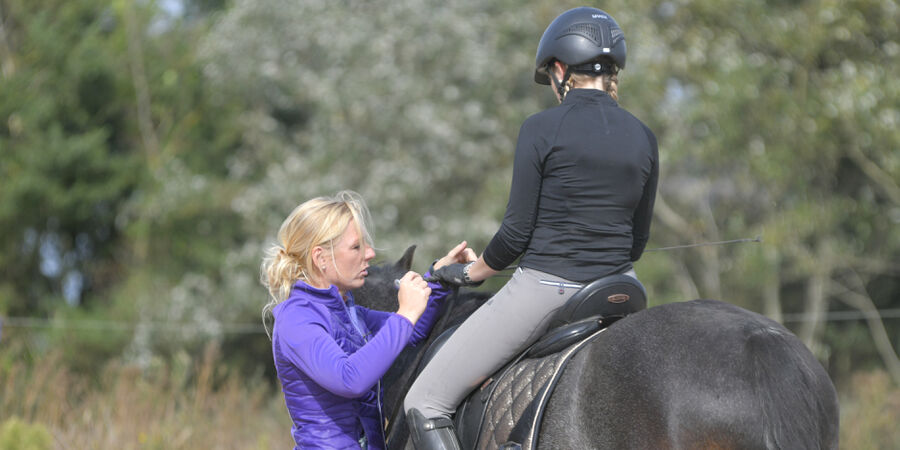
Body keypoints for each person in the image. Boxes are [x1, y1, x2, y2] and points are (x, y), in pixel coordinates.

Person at [403, 7, 659, 449]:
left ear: (560, 69)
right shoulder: (643, 136)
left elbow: (515, 236)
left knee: (423, 401)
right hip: (622, 288)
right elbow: (637, 242)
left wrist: (469, 274)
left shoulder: (541, 129)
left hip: (549, 288)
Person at [261, 190, 476, 449]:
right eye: (356, 247)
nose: (370, 253)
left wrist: (439, 278)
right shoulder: (296, 319)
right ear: (320, 258)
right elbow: (349, 379)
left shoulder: (349, 311)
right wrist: (404, 314)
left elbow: (411, 331)